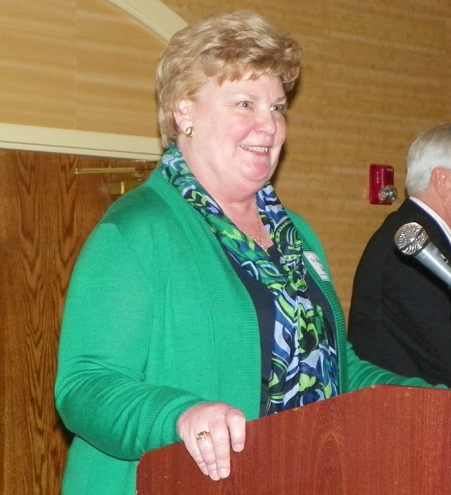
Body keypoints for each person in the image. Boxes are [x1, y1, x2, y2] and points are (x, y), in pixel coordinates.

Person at [55, 12, 444, 495]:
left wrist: (432, 404)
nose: (270, 126)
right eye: (245, 103)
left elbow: (334, 367)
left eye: (278, 107)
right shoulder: (136, 232)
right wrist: (179, 416)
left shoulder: (295, 235)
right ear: (184, 112)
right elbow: (85, 386)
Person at [349, 123, 451, 386]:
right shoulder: (412, 250)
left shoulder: (423, 236)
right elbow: (442, 358)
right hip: (404, 416)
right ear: (443, 180)